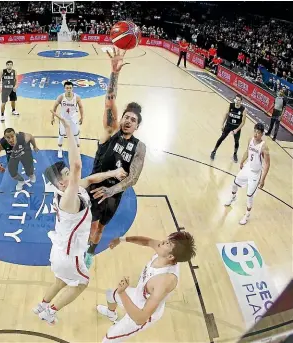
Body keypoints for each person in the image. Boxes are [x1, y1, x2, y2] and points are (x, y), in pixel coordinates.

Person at [33, 112, 127, 325]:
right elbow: (77, 166)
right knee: (82, 283)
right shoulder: (67, 197)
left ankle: (42, 304)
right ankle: (51, 311)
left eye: (68, 172)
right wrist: (68, 129)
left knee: (60, 281)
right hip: (69, 254)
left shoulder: (69, 190)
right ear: (60, 183)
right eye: (66, 174)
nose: (71, 175)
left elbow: (90, 179)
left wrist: (113, 173)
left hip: (59, 251)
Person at [84, 48, 147, 268]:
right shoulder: (110, 131)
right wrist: (114, 73)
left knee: (99, 227)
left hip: (113, 195)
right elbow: (109, 101)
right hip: (93, 187)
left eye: (133, 120)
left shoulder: (139, 147)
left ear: (137, 126)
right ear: (121, 119)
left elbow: (134, 178)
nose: (128, 120)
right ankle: (75, 247)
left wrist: (111, 190)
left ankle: (89, 252)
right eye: (126, 117)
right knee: (85, 224)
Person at [97, 231, 196, 342]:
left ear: (170, 256)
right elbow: (147, 241)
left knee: (108, 339)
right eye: (167, 240)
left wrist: (122, 292)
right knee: (110, 294)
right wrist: (121, 239)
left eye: (167, 244)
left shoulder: (164, 281)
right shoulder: (162, 250)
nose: (162, 241)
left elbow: (140, 318)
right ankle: (111, 315)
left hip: (142, 314)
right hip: (138, 295)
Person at [225, 123, 270, 225]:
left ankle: (247, 215)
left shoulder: (264, 147)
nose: (255, 134)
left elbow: (267, 164)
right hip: (247, 168)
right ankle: (233, 197)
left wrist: (263, 179)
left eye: (258, 133)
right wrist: (242, 161)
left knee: (249, 196)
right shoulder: (250, 140)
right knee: (234, 183)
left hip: (255, 173)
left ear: (262, 134)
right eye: (255, 131)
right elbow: (247, 151)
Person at [51, 81, 84, 159]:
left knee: (76, 135)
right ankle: (59, 150)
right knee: (61, 135)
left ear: (72, 88)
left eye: (70, 88)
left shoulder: (77, 97)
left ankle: (77, 150)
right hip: (63, 119)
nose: (68, 89)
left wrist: (82, 117)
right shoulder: (61, 97)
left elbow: (81, 107)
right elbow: (54, 107)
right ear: (64, 88)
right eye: (67, 88)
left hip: (73, 119)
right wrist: (52, 117)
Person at [210, 94, 247, 162]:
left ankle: (235, 154)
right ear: (235, 99)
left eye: (239, 100)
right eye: (236, 100)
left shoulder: (243, 110)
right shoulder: (230, 105)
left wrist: (237, 130)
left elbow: (243, 122)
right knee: (221, 138)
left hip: (236, 127)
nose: (237, 101)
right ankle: (214, 151)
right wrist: (222, 124)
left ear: (241, 101)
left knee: (236, 141)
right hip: (228, 125)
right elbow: (226, 115)